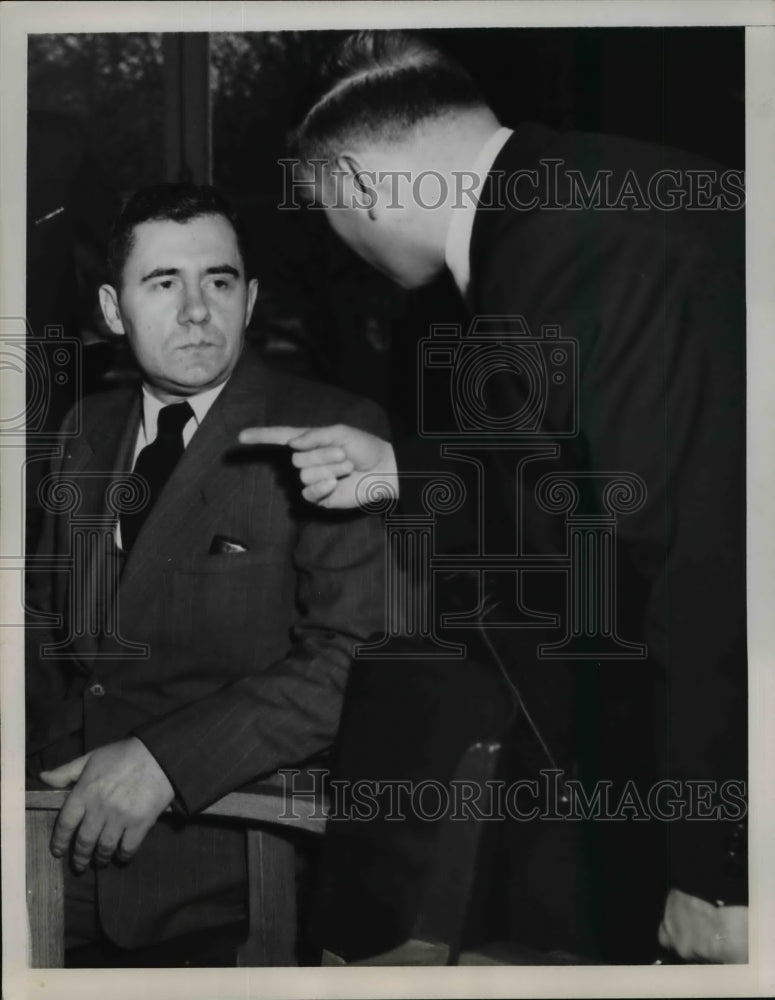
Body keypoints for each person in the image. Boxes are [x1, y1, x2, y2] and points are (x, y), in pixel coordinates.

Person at [240, 31, 747, 963]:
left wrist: (724, 869)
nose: (336, 243)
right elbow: (598, 492)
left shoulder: (566, 253)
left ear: (353, 183)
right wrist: (400, 472)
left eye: (322, 213)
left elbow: (703, 563)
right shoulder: (576, 196)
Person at [25, 182, 387, 966]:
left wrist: (165, 761)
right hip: (45, 843)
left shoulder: (331, 432)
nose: (197, 311)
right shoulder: (83, 433)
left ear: (249, 299)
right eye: (164, 283)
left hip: (229, 866)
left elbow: (352, 656)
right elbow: (40, 631)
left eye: (218, 281)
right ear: (112, 311)